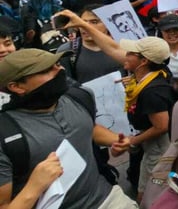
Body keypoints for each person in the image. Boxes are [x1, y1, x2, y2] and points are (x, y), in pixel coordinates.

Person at [0, 48, 136, 208]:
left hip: (107, 199)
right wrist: (34, 187)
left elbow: (87, 127)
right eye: (46, 70)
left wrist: (116, 140)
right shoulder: (5, 133)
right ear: (16, 86)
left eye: (57, 64)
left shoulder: (78, 97)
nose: (60, 70)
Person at [121, 37, 175, 203]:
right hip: (151, 143)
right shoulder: (154, 76)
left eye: (131, 53)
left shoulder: (153, 91)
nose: (125, 55)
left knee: (148, 192)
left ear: (143, 61)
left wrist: (134, 141)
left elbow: (161, 126)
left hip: (158, 147)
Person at [54, 7, 127, 83]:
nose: (86, 26)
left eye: (94, 22)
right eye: (82, 22)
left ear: (108, 23)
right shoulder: (67, 50)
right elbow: (64, 83)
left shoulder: (124, 47)